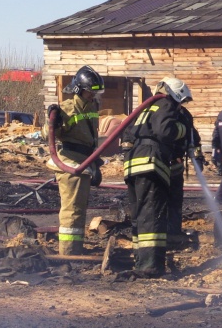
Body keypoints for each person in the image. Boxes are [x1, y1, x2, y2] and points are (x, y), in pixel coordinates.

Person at [122, 77, 193, 277]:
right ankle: (150, 266)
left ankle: (140, 259)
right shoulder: (166, 104)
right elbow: (165, 131)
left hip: (133, 164)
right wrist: (184, 130)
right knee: (152, 216)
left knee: (138, 216)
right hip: (150, 163)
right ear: (176, 94)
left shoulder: (146, 108)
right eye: (181, 100)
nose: (181, 105)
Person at [43, 65, 105, 255]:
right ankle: (69, 252)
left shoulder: (91, 106)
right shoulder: (69, 108)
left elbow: (90, 136)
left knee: (80, 209)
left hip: (85, 161)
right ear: (79, 89)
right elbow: (49, 133)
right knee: (72, 210)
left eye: (95, 92)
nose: (92, 96)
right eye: (89, 92)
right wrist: (53, 118)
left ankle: (75, 248)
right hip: (71, 162)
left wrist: (95, 164)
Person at [167, 99, 204, 248]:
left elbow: (193, 137)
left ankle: (174, 233)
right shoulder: (159, 113)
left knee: (175, 201)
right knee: (159, 202)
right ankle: (162, 234)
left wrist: (198, 156)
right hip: (158, 165)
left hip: (176, 165)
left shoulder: (184, 114)